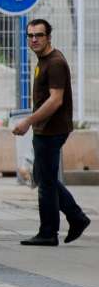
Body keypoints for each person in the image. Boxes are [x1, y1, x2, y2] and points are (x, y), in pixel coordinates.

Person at [13, 19, 89, 246]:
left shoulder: (54, 63)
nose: (34, 39)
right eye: (30, 35)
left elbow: (56, 100)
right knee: (44, 177)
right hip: (45, 128)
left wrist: (28, 121)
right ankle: (76, 217)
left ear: (49, 37)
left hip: (51, 130)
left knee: (45, 182)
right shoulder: (43, 60)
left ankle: (49, 232)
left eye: (39, 35)